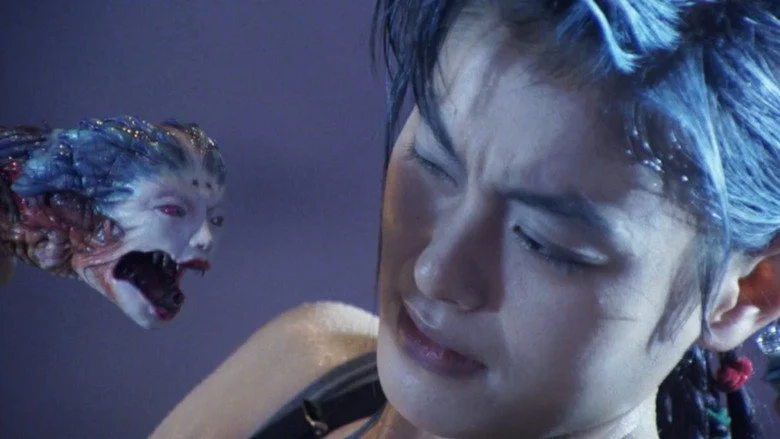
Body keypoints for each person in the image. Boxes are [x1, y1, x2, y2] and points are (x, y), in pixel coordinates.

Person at [150, 0, 780, 437]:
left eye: (546, 243)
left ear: (748, 293)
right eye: (433, 163)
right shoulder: (293, 370)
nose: (436, 271)